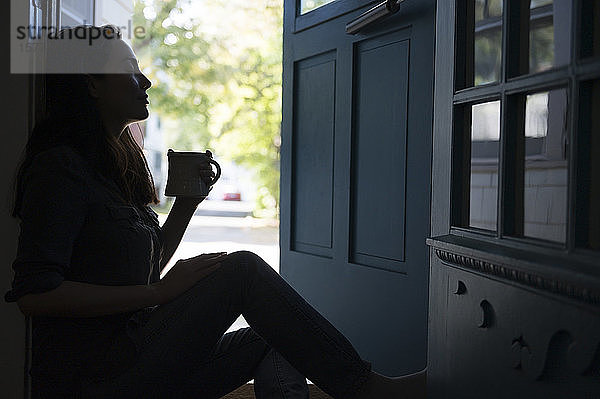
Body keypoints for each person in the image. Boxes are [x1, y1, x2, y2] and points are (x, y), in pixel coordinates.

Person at [4, 25, 426, 399]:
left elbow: (143, 269)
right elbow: (36, 296)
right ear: (91, 84)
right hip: (98, 377)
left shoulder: (113, 167)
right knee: (242, 270)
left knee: (280, 333)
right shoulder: (59, 168)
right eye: (131, 70)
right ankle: (367, 389)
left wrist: (185, 206)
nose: (145, 80)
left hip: (140, 350)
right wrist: (158, 294)